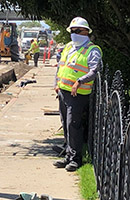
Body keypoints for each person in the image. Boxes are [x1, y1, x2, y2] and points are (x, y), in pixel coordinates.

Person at [53, 17, 102, 172]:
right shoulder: (69, 47)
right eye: (72, 31)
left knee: (73, 125)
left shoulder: (92, 50)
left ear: (86, 32)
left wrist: (79, 81)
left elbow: (94, 70)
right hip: (63, 91)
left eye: (78, 31)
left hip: (78, 94)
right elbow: (61, 66)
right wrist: (56, 84)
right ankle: (68, 155)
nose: (74, 34)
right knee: (66, 124)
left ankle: (76, 159)